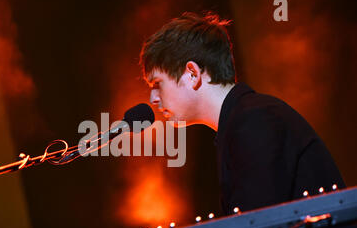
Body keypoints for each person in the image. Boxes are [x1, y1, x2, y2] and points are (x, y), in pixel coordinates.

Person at [140, 12, 345, 215]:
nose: (153, 98)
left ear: (192, 74)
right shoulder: (243, 120)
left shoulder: (255, 120)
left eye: (158, 84)